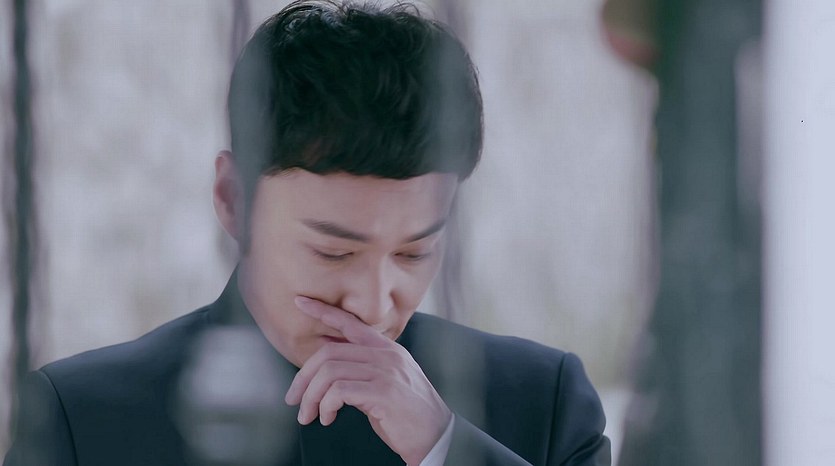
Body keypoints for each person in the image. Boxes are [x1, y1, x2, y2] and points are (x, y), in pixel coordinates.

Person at [4, 1, 610, 465]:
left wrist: (444, 445)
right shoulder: (82, 420)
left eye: (414, 251)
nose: (373, 305)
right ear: (232, 199)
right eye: (334, 251)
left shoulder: (541, 404)